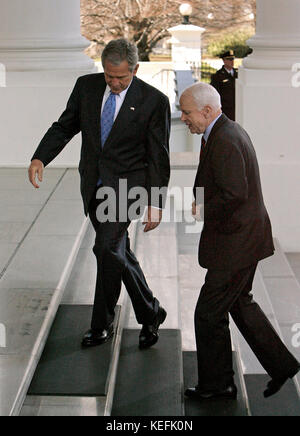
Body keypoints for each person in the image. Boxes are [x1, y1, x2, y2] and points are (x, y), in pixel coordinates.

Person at [28, 39, 171, 350]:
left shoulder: (153, 101)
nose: (115, 82)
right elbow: (65, 126)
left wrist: (155, 202)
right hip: (93, 185)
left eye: (122, 77)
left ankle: (101, 323)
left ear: (136, 69)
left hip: (127, 188)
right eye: (109, 76)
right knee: (117, 252)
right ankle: (150, 312)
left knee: (105, 247)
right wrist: (40, 156)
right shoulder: (86, 87)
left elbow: (159, 157)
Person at [179, 82, 300, 400]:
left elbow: (235, 193)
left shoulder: (227, 139)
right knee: (239, 303)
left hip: (236, 244)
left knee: (208, 314)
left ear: (206, 111)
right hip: (243, 239)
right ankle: (281, 365)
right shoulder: (222, 133)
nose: (182, 118)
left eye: (186, 112)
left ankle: (217, 385)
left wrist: (202, 207)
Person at [210, 50, 238, 121]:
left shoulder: (238, 74)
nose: (232, 61)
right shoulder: (218, 76)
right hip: (225, 110)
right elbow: (215, 94)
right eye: (229, 59)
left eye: (233, 59)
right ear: (224, 60)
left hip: (237, 108)